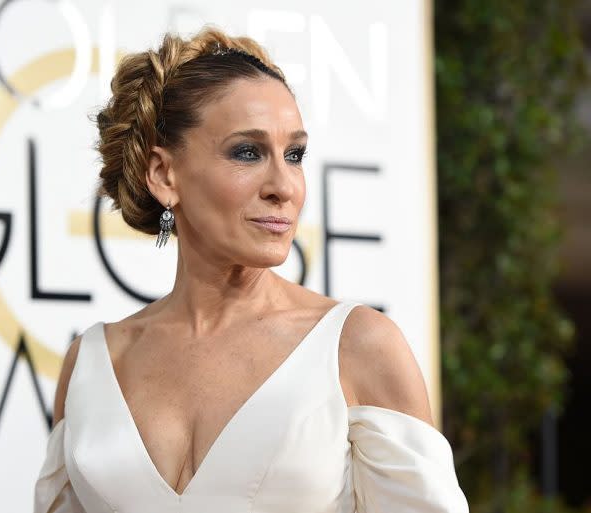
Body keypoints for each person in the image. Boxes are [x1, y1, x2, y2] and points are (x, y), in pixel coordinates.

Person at [33, 26, 469, 513]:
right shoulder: (94, 365)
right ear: (163, 174)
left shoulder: (358, 347)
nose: (284, 186)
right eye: (247, 152)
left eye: (295, 155)